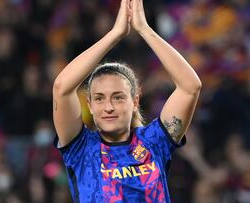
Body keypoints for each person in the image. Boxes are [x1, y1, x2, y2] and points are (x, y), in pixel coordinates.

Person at [52, 0, 202, 202]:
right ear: (89, 105)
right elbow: (62, 88)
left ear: (135, 101)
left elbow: (190, 87)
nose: (109, 107)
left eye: (118, 97)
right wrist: (115, 35)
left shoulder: (154, 141)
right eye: (99, 98)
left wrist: (144, 30)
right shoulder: (81, 148)